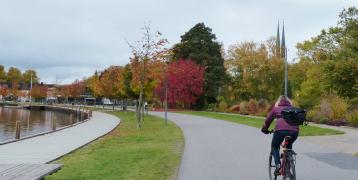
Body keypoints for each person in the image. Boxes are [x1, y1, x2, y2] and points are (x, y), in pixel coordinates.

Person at [261, 95, 299, 175]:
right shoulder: (293, 109)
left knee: (274, 146)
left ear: (279, 102)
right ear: (289, 102)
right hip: (294, 132)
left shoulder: (276, 108)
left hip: (280, 131)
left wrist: (265, 129)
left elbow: (268, 120)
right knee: (289, 145)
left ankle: (278, 165)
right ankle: (288, 166)